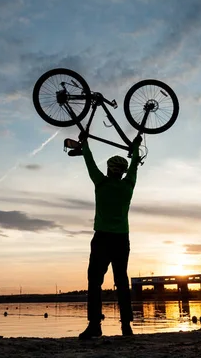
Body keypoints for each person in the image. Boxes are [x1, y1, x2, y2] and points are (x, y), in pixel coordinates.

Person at [76, 132, 142, 340]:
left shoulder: (101, 183)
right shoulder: (128, 186)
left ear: (108, 170)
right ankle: (126, 327)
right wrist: (136, 146)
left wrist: (84, 142)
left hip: (102, 238)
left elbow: (89, 162)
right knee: (121, 281)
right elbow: (134, 167)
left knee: (94, 281)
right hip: (122, 239)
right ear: (122, 172)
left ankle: (95, 325)